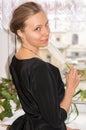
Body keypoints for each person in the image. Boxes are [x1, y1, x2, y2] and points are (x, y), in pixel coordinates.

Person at [9, 2, 80, 130]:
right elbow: (56, 119)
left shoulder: (16, 60)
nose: (46, 32)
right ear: (20, 32)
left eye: (46, 24)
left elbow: (39, 108)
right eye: (37, 28)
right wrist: (70, 89)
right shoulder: (38, 68)